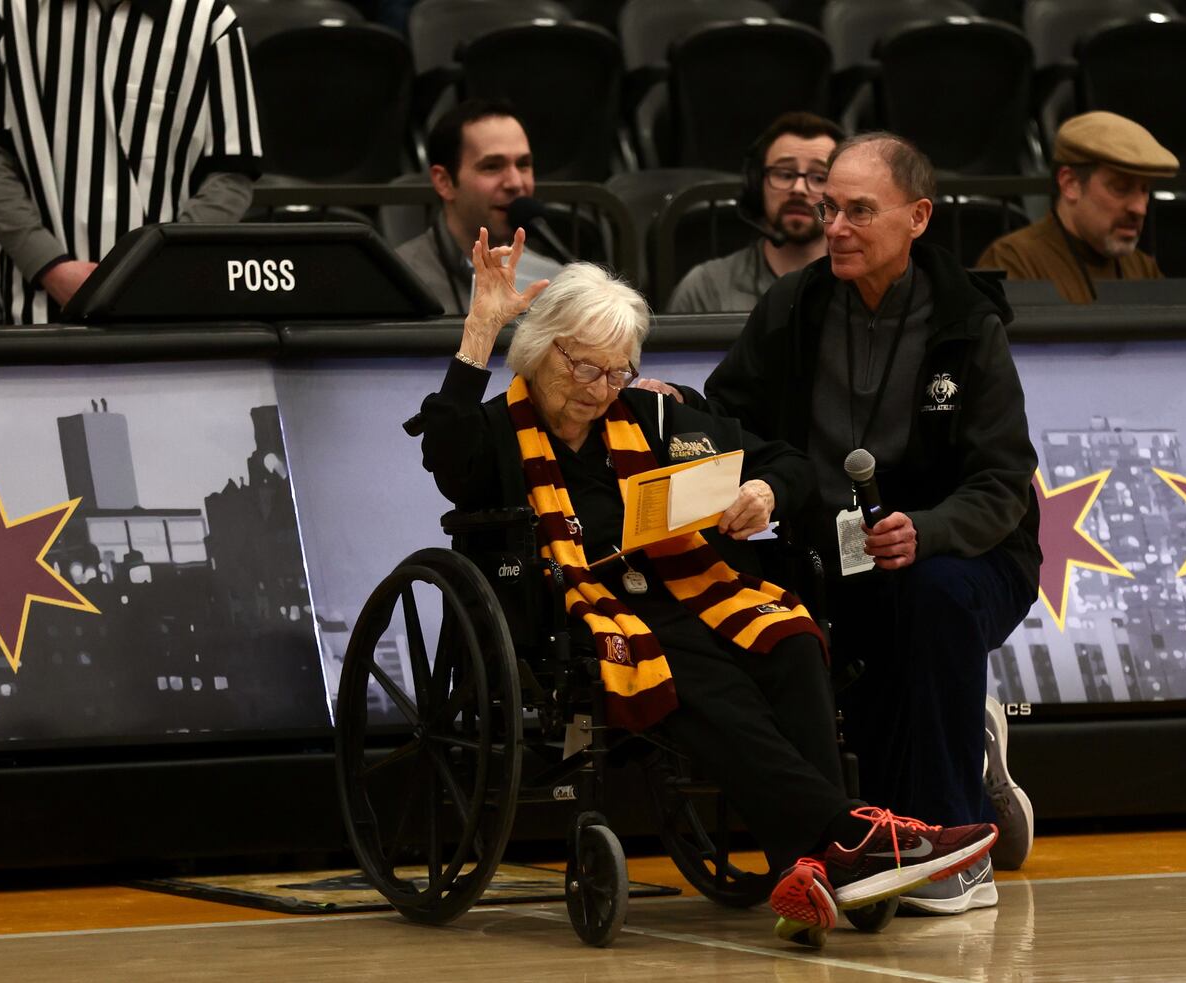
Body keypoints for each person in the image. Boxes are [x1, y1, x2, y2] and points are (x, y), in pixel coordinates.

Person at [415, 227, 996, 948]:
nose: (600, 392)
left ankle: (805, 867)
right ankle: (850, 832)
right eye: (585, 370)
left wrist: (762, 490)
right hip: (580, 616)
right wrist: (479, 326)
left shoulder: (652, 416)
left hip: (685, 589)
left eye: (617, 373)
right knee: (696, 670)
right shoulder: (499, 431)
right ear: (544, 350)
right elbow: (444, 453)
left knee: (787, 637)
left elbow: (786, 462)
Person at [703, 133, 1040, 916]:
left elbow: (1002, 483)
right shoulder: (795, 305)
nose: (836, 227)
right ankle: (842, 836)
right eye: (829, 210)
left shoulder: (968, 323)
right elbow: (726, 414)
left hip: (970, 554)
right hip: (830, 554)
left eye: (860, 210)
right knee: (747, 609)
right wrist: (680, 412)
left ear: (918, 216)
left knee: (924, 594)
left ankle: (958, 848)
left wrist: (930, 526)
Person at [0, 0, 263, 325]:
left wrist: (163, 267)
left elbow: (231, 173)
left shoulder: (209, 19)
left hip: (168, 310)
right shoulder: (5, 11)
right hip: (36, 308)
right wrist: (49, 266)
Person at [976, 112, 1179, 304]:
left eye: (1144, 190)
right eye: (1121, 188)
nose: (1139, 208)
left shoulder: (1143, 269)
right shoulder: (1014, 261)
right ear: (1070, 183)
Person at [665, 112, 845, 313]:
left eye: (819, 178)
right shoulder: (705, 289)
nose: (799, 188)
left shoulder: (863, 287)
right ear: (757, 185)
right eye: (784, 174)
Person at [396, 99, 561, 315]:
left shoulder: (552, 282)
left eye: (523, 165)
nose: (515, 183)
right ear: (444, 182)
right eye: (492, 167)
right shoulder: (400, 279)